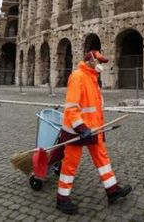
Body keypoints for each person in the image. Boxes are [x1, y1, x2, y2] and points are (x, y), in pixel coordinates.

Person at [55, 50, 132, 215]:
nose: (101, 66)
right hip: (77, 131)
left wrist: (96, 127)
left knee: (102, 159)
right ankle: (62, 198)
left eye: (102, 63)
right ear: (90, 61)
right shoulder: (77, 77)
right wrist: (81, 128)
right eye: (99, 62)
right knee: (70, 164)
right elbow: (71, 108)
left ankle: (112, 191)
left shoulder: (92, 78)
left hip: (94, 128)